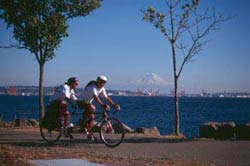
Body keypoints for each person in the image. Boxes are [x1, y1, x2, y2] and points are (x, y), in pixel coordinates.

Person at [78, 75, 120, 141]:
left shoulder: (102, 88)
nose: (102, 84)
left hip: (88, 102)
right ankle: (83, 123)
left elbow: (106, 98)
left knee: (92, 118)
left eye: (104, 82)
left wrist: (114, 104)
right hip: (81, 101)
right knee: (92, 108)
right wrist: (102, 105)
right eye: (101, 82)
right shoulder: (93, 87)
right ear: (97, 81)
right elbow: (95, 97)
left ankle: (89, 134)